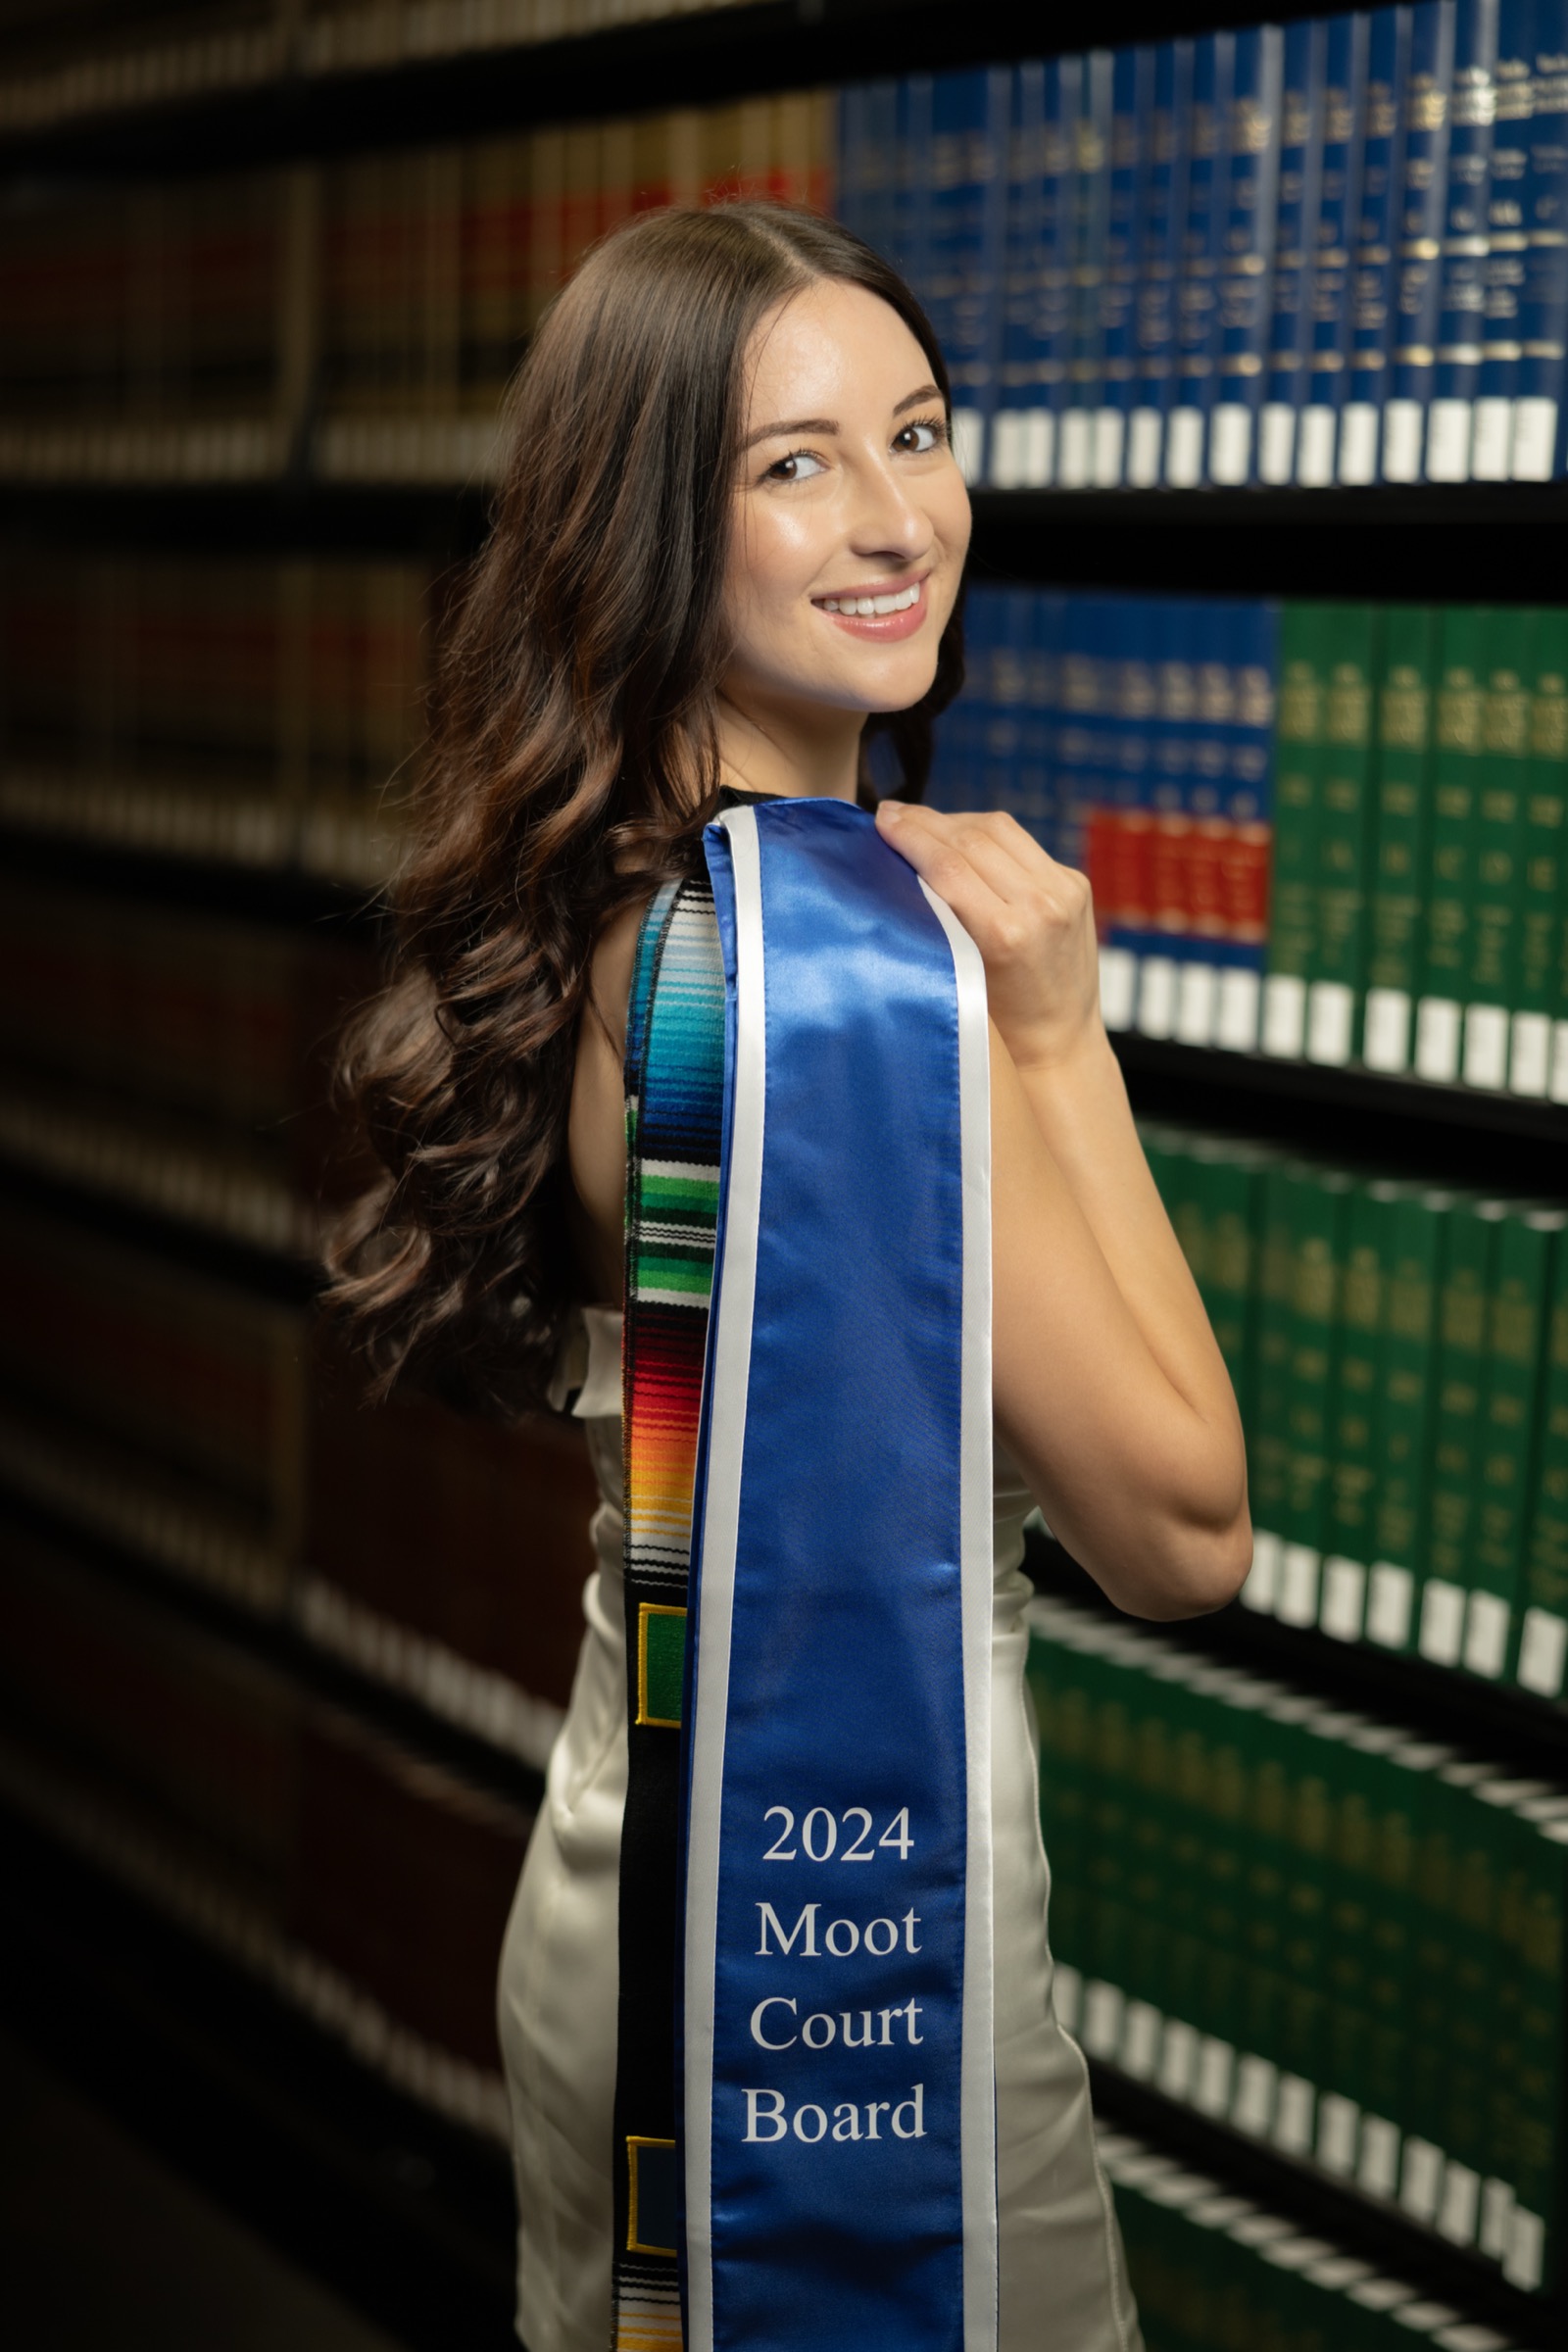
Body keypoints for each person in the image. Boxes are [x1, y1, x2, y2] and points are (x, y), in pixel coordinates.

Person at [329, 200, 1250, 2352]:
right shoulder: (819, 986)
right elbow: (1181, 1533)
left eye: (916, 432)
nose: (896, 517)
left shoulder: (629, 905)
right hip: (819, 1969)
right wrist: (1057, 1039)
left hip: (631, 1857)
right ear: (653, 525)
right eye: (791, 464)